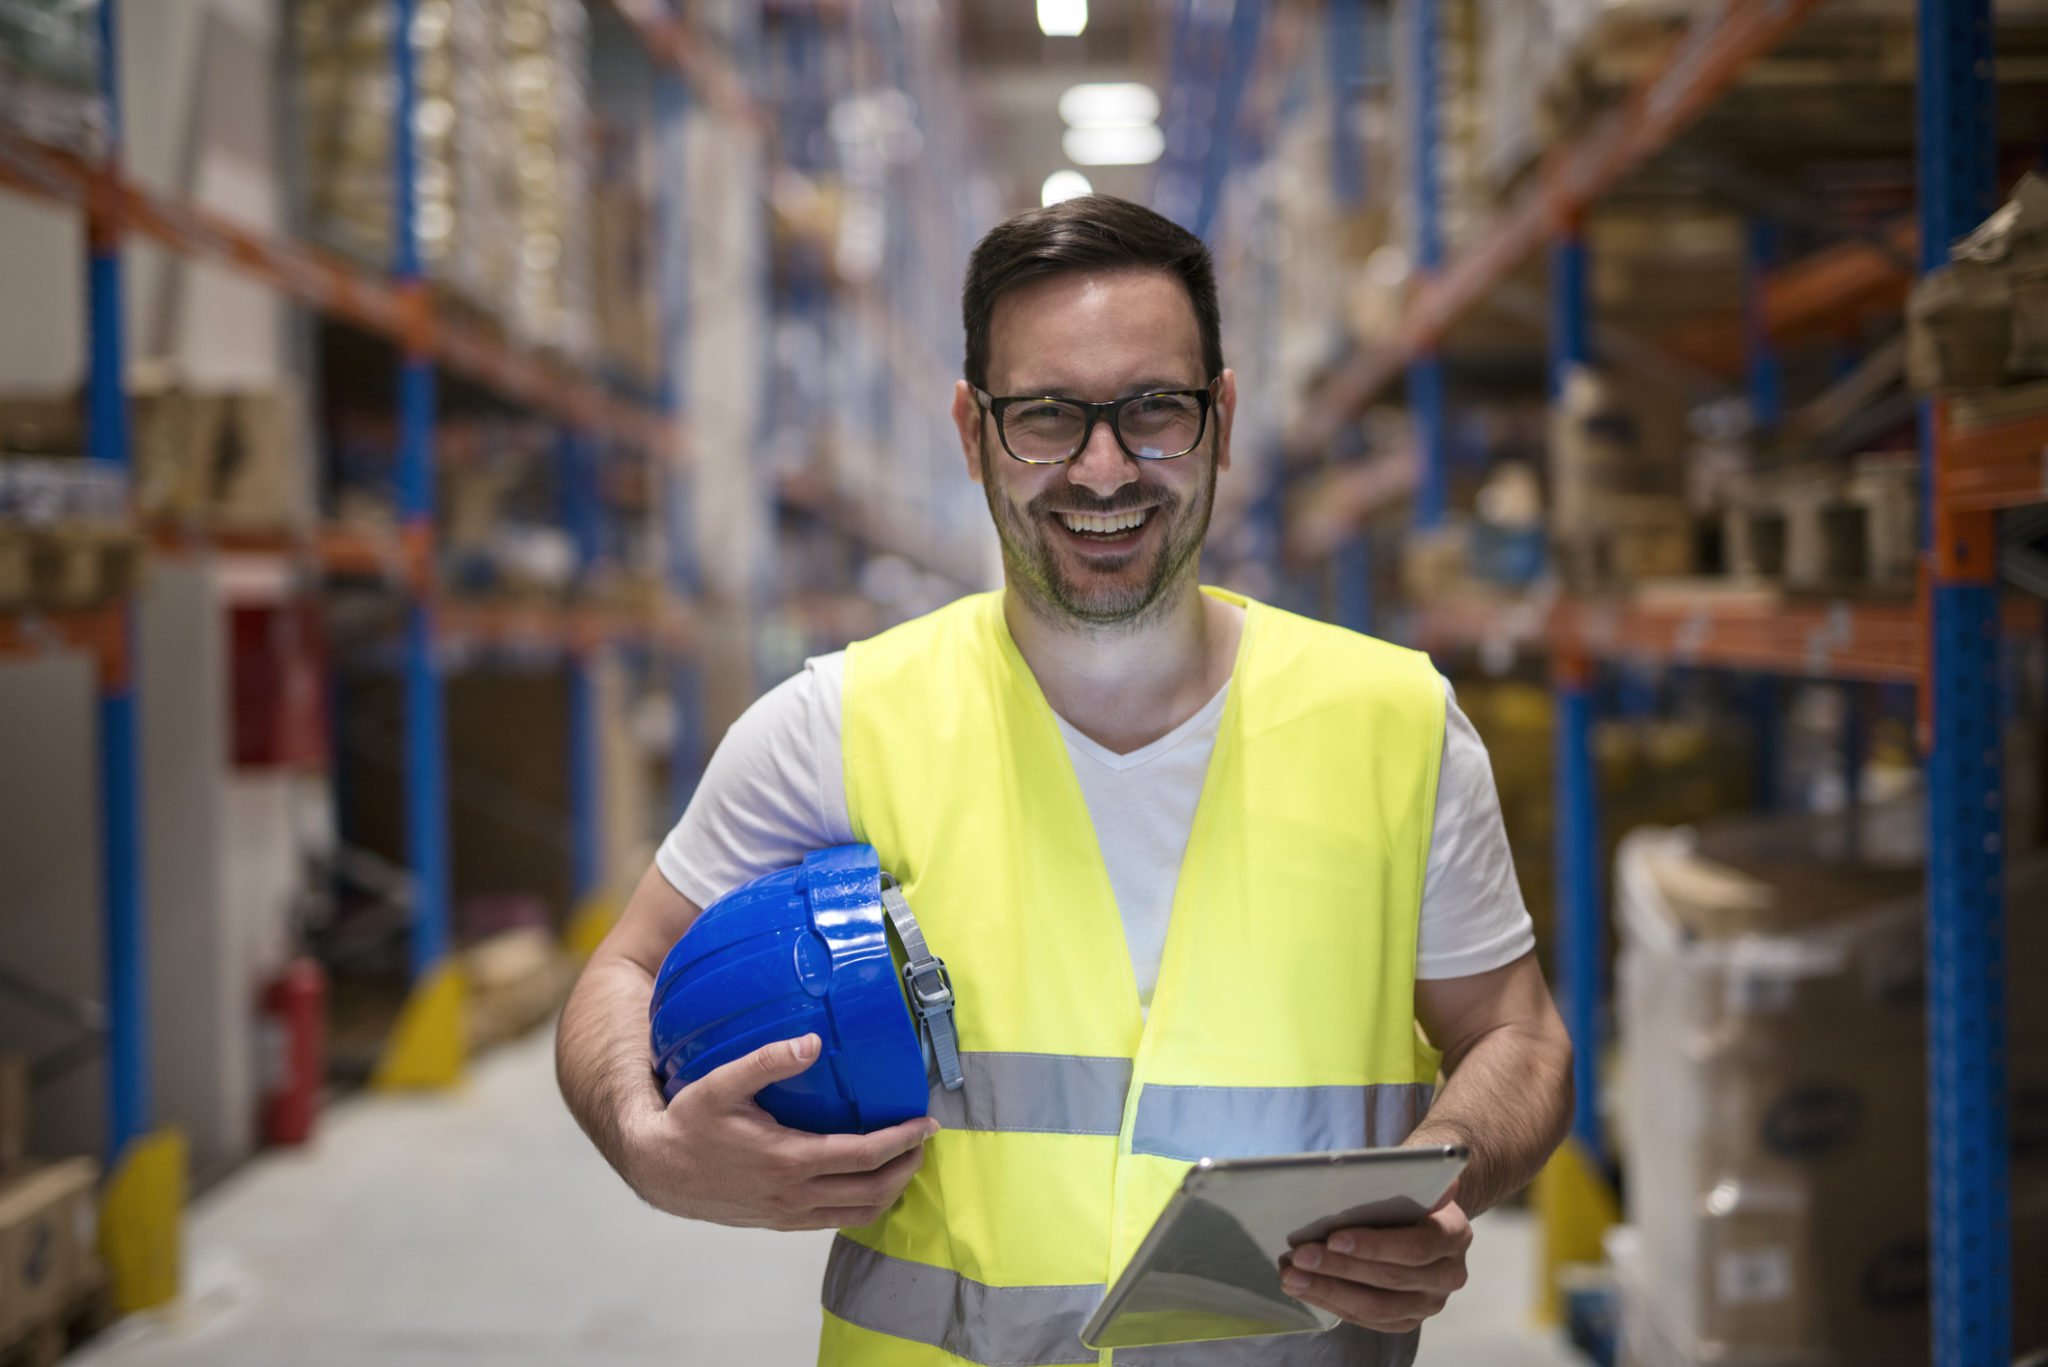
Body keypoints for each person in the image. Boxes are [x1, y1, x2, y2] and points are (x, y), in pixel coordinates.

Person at [557, 194, 1574, 1366]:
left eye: (1153, 410)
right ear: (971, 431)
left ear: (1221, 420)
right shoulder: (836, 725)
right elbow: (624, 968)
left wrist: (1446, 1180)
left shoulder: (1394, 724)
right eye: (1045, 415)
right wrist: (646, 1140)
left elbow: (1516, 1034)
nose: (1102, 469)